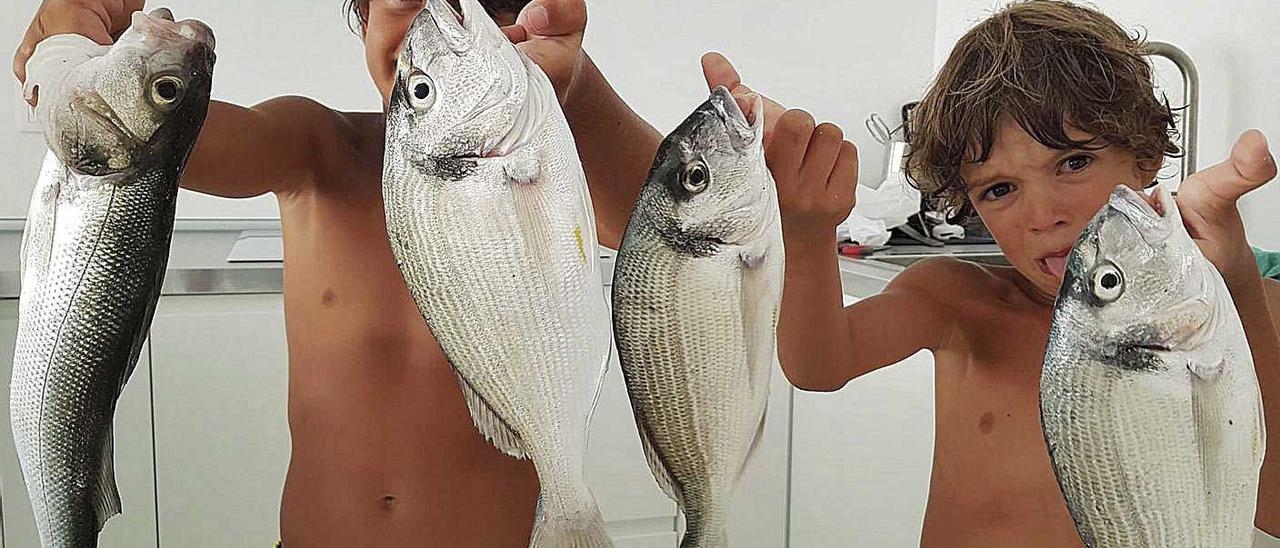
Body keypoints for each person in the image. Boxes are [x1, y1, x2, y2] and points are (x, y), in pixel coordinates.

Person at [13, 0, 854, 545]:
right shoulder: (317, 148)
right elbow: (148, 134)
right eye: (399, 4)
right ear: (362, 21)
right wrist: (73, 43)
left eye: (472, 6)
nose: (422, 24)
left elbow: (662, 228)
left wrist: (574, 86)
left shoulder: (545, 169)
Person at [769, 1, 1280, 546]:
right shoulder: (955, 302)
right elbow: (818, 366)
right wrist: (807, 234)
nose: (1043, 216)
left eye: (1073, 162)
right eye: (1000, 189)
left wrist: (1241, 284)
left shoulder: (1245, 312)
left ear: (1146, 153)